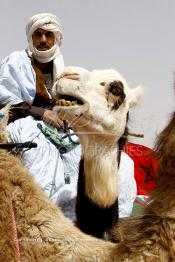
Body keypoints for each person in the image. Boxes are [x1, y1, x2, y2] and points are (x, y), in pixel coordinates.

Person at [0, 13, 136, 221]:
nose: (43, 40)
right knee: (40, 156)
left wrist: (65, 113)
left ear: (57, 39)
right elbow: (4, 100)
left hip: (57, 128)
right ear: (31, 38)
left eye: (49, 35)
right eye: (38, 35)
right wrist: (41, 113)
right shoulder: (16, 62)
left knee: (103, 158)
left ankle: (79, 213)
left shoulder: (61, 69)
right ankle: (42, 214)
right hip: (21, 123)